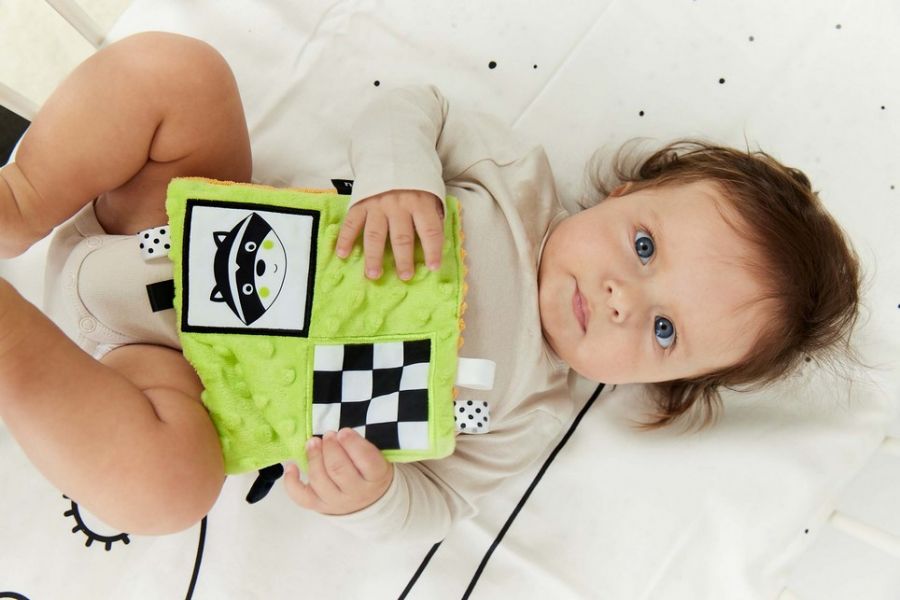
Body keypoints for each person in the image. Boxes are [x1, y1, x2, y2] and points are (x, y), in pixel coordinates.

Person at [0, 33, 860, 540]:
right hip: (192, 221)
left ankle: (11, 342)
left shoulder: (528, 410)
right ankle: (19, 202)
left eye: (664, 331)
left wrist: (374, 496)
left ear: (665, 385)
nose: (622, 299)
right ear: (627, 192)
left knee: (168, 491)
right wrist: (400, 174)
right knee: (182, 75)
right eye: (642, 247)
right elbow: (412, 107)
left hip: (174, 386)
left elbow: (437, 507)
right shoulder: (516, 187)